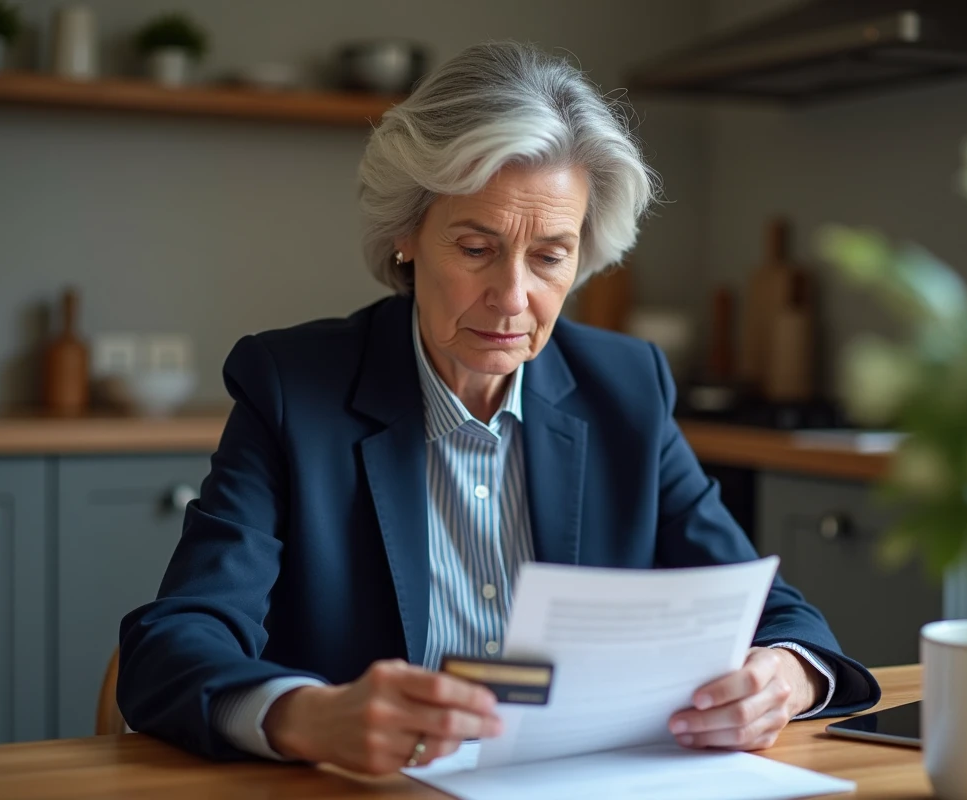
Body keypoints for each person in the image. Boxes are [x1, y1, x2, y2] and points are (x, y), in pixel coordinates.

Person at [117, 40, 880, 776]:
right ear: (408, 235)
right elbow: (175, 640)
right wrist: (310, 716)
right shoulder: (292, 389)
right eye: (476, 249)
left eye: (549, 256)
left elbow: (774, 612)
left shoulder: (625, 389)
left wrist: (783, 677)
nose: (513, 298)